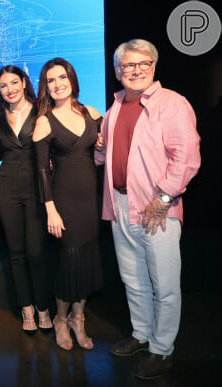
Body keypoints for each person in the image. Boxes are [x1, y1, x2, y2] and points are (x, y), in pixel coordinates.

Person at [95, 39, 200, 379]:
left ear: (153, 66)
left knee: (165, 285)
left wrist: (165, 198)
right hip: (120, 203)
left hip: (157, 207)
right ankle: (142, 334)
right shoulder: (113, 110)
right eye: (128, 65)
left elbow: (185, 157)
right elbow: (108, 159)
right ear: (117, 71)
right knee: (133, 279)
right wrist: (99, 148)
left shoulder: (173, 104)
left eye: (143, 64)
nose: (136, 70)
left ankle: (162, 349)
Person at [32, 58, 104, 351]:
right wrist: (50, 209)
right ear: (46, 87)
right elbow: (42, 171)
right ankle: (61, 319)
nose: (57, 84)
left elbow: (102, 154)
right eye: (51, 80)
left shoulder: (93, 113)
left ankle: (79, 318)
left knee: (87, 257)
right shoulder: (43, 122)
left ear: (72, 79)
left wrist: (101, 145)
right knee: (68, 260)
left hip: (91, 200)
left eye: (62, 77)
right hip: (63, 200)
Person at [0, 65, 52, 334]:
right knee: (16, 254)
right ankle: (26, 308)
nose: (9, 89)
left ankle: (43, 307)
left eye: (14, 82)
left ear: (24, 82)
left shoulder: (43, 109)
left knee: (36, 253)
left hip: (36, 188)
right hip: (7, 188)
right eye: (4, 85)